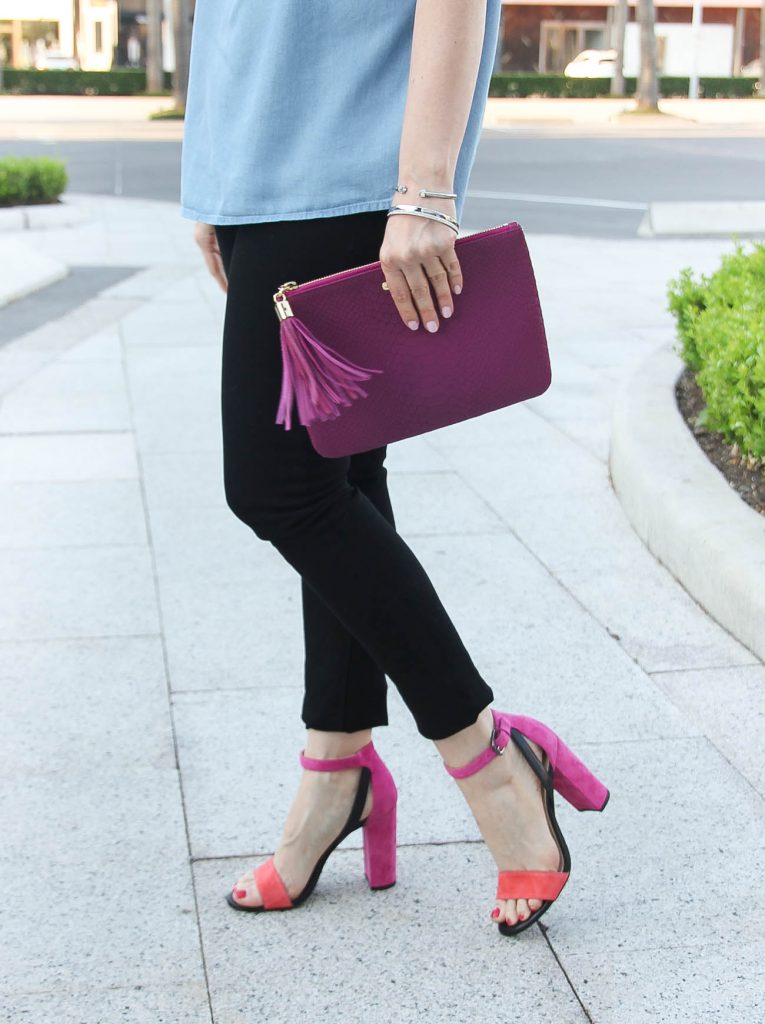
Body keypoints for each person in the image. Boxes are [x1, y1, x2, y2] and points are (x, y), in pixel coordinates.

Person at [180, 0, 609, 937]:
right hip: (260, 157)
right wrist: (213, 177)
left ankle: (490, 758)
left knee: (275, 488)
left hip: (351, 155)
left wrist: (423, 190)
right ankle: (338, 772)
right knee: (334, 475)